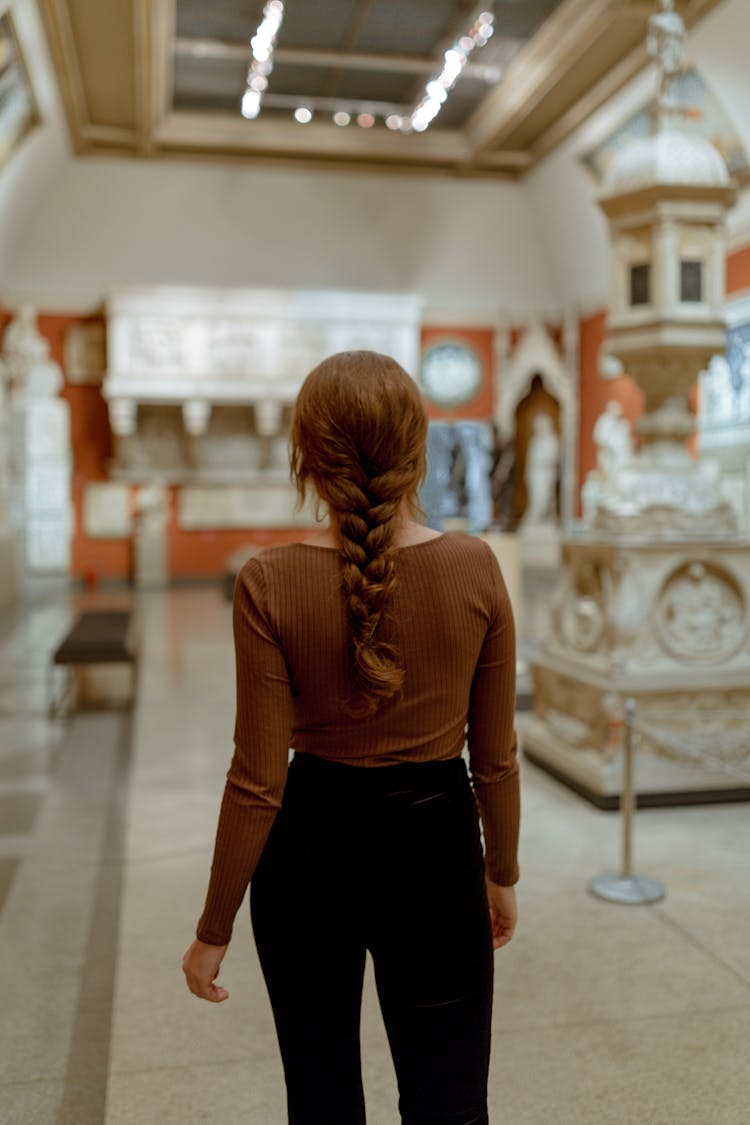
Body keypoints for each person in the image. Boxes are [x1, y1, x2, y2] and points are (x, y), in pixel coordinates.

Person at [182, 350, 520, 1125]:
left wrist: (214, 927)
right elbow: (495, 757)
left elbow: (258, 777)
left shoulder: (267, 580)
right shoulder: (476, 568)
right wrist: (500, 870)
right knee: (451, 1105)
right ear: (417, 448)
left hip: (307, 858)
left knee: (323, 1102)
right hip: (436, 855)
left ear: (306, 455)